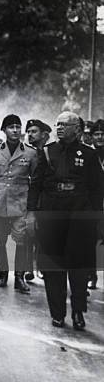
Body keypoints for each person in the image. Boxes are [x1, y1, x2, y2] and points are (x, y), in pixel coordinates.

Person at [28, 111, 103, 330]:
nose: (59, 128)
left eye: (65, 124)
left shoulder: (89, 155)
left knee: (79, 267)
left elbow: (98, 190)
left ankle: (79, 311)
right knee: (52, 266)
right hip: (52, 214)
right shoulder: (47, 152)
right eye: (57, 124)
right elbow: (36, 185)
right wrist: (32, 213)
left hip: (80, 216)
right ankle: (58, 313)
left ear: (77, 129)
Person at [0, 115, 38, 294]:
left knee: (21, 240)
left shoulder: (30, 152)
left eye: (17, 126)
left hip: (20, 201)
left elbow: (35, 180)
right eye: (11, 127)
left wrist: (32, 207)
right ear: (3, 130)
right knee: (0, 239)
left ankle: (20, 277)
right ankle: (3, 273)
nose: (15, 130)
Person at [24, 119, 52, 281]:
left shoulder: (49, 153)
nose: (30, 135)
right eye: (28, 132)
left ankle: (40, 265)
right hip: (25, 196)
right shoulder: (24, 152)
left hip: (44, 199)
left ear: (45, 135)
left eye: (34, 131)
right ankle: (28, 267)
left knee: (42, 234)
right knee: (27, 233)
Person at [89, 119, 104, 289]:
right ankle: (91, 274)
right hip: (93, 206)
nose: (100, 137)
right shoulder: (87, 154)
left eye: (102, 134)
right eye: (96, 134)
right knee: (90, 240)